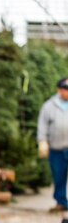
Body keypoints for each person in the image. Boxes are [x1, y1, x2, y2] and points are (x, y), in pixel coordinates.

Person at [38, 77, 68, 211]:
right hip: (56, 148)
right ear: (59, 90)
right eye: (65, 89)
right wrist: (42, 141)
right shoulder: (49, 106)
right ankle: (61, 202)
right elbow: (42, 125)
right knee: (59, 175)